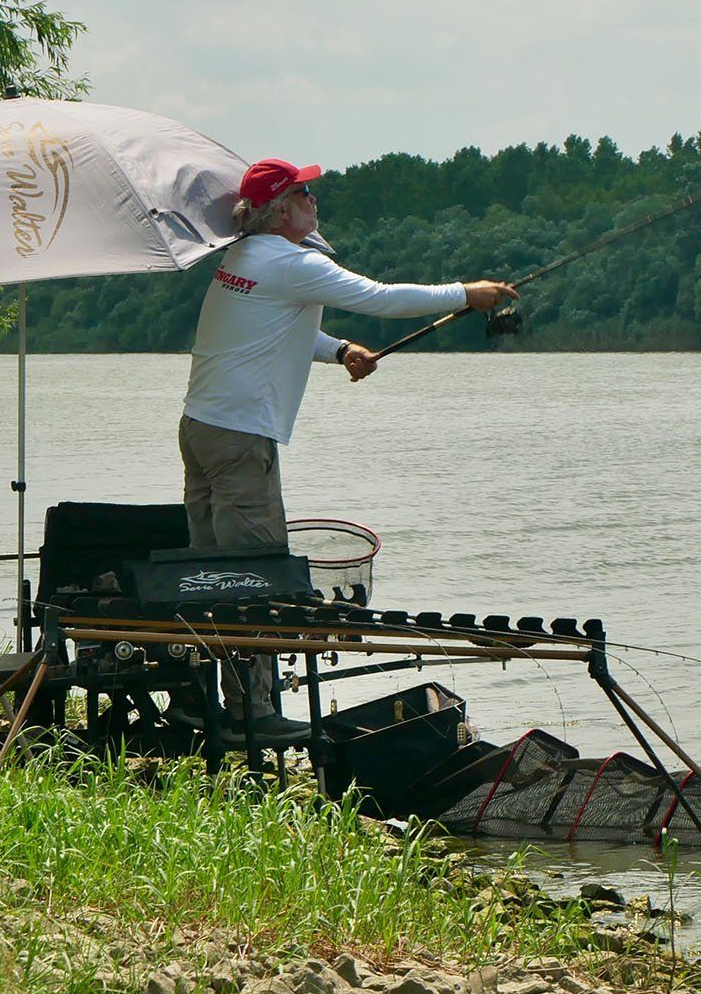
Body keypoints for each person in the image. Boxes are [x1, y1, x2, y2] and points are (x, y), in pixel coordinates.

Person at [175, 158, 517, 743]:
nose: (315, 202)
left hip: (201, 427)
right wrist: (467, 293)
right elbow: (381, 298)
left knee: (213, 576)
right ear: (281, 210)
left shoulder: (242, 260)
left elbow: (276, 329)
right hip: (239, 440)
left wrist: (338, 352)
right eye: (305, 194)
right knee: (254, 578)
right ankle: (252, 715)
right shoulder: (290, 261)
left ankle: (209, 700)